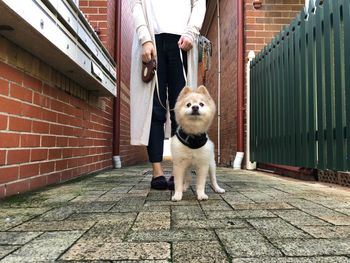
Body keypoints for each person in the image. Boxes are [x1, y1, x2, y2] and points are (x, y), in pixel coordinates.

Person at [130, 0, 206, 190]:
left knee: (180, 110)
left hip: (182, 43)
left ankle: (177, 171)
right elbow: (136, 4)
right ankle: (157, 172)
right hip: (152, 41)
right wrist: (144, 38)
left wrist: (192, 32)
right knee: (154, 109)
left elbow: (199, 3)